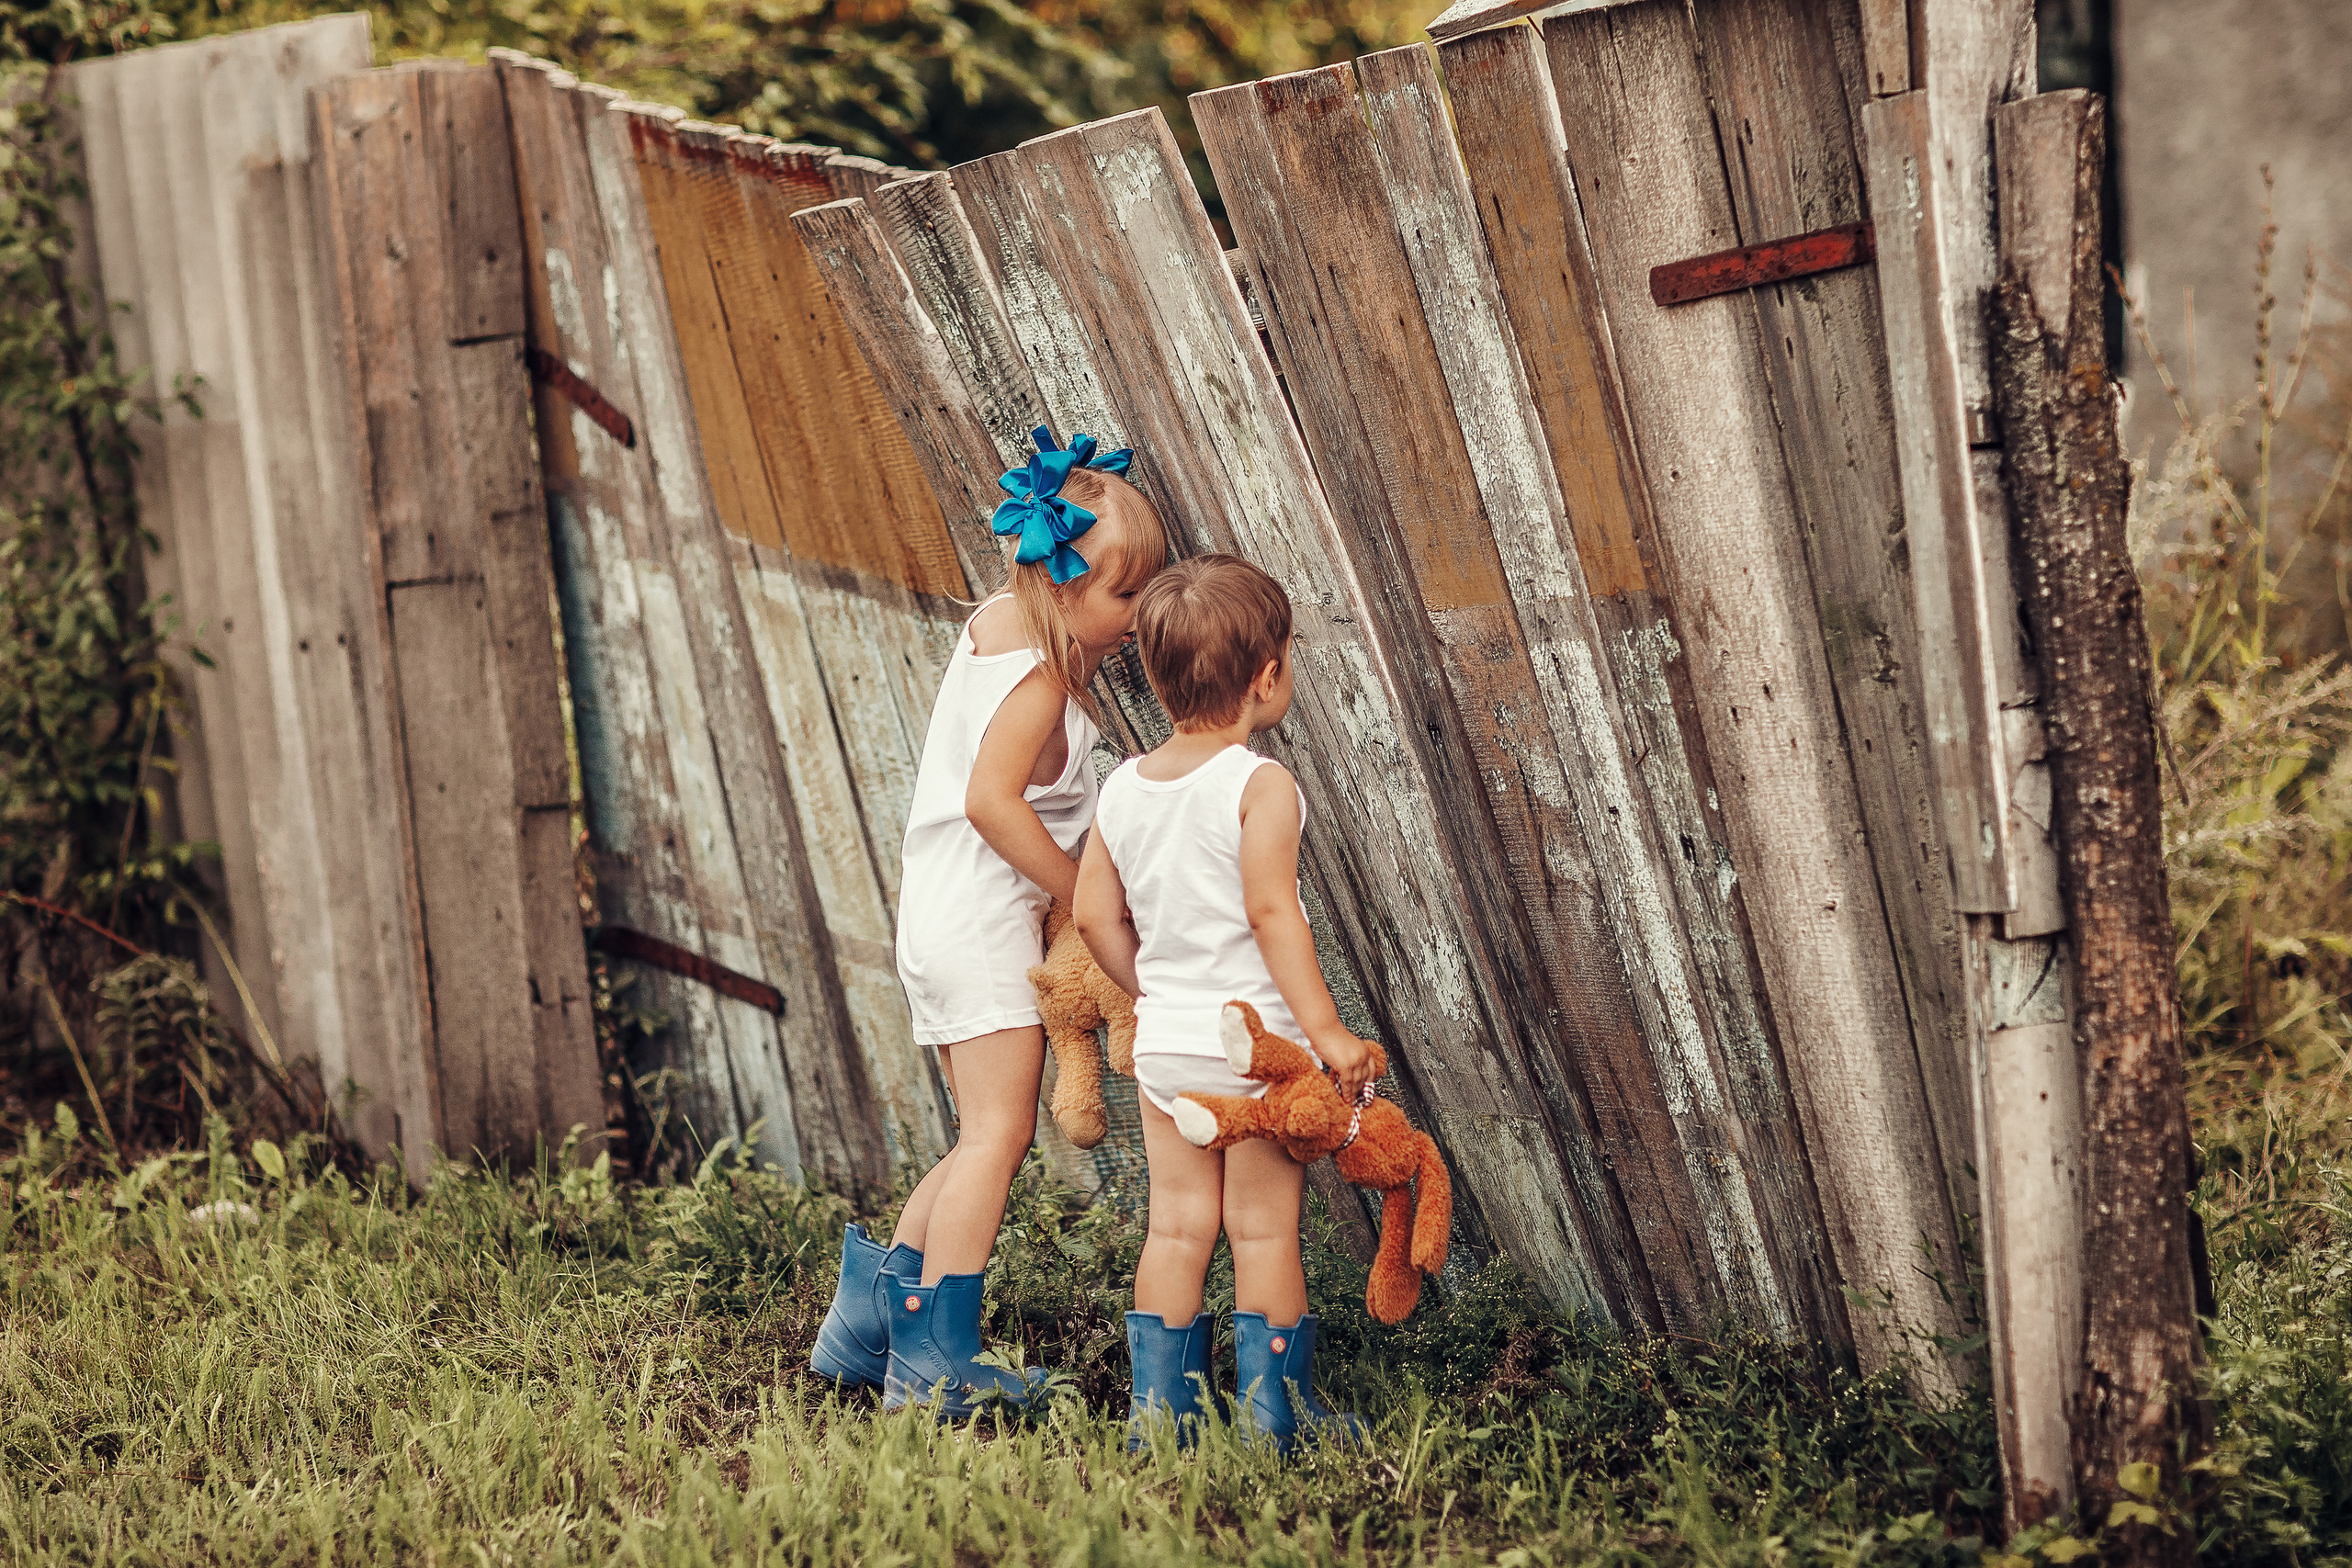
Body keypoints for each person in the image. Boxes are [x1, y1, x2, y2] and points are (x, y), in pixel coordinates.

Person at [809, 429, 1168, 1415]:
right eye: (1125, 594)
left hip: (942, 913)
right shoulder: (1043, 679)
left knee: (981, 1134)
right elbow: (991, 801)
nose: (1141, 614)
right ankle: (933, 1365)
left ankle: (866, 1325)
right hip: (980, 924)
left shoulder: (1000, 621)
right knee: (999, 1138)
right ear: (1062, 588)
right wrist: (1070, 892)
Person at [1073, 553, 1379, 1453]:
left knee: (1175, 1224)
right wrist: (1323, 1031)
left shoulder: (1123, 786)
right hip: (1254, 1054)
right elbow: (1270, 908)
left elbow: (1093, 913)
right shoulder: (1260, 784)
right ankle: (1271, 1420)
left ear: (1157, 677)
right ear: (1269, 675)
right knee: (1259, 1227)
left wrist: (1153, 994)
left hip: (1165, 1041)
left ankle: (1158, 1421)